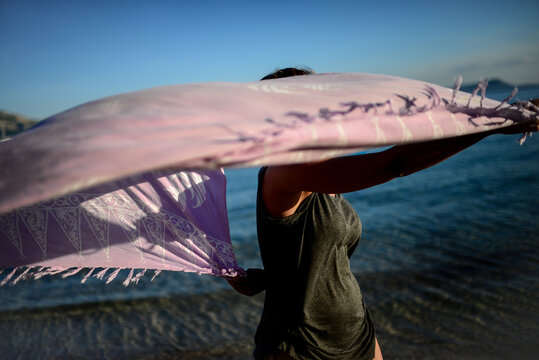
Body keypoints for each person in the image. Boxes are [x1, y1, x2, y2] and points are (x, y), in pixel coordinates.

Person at [227, 68, 538, 360]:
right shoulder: (286, 171)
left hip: (356, 331)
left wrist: (274, 276)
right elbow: (395, 164)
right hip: (301, 345)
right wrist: (495, 123)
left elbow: (318, 255)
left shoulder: (319, 168)